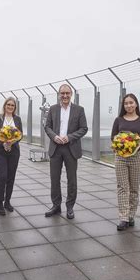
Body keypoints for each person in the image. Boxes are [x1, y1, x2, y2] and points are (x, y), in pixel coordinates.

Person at [44, 84, 88, 219]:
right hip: (55, 148)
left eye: (67, 93)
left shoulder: (79, 110)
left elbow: (83, 128)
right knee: (54, 179)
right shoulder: (52, 109)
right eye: (62, 93)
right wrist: (54, 137)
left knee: (72, 180)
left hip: (71, 148)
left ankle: (70, 207)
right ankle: (56, 206)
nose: (65, 96)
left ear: (71, 94)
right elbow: (47, 127)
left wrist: (69, 137)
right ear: (59, 94)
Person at [111, 94, 140, 231]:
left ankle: (131, 215)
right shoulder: (118, 120)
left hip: (136, 157)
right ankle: (123, 218)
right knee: (122, 187)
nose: (129, 105)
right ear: (123, 106)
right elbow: (113, 137)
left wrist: (134, 148)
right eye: (126, 103)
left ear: (136, 104)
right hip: (120, 157)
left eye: (131, 103)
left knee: (134, 188)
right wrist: (120, 147)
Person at [0, 97, 23, 215]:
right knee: (3, 177)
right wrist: (2, 143)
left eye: (12, 105)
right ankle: (0, 203)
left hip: (14, 152)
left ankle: (7, 202)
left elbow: (21, 135)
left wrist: (13, 142)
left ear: (15, 107)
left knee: (11, 177)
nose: (10, 107)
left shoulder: (17, 119)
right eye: (8, 105)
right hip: (0, 151)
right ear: (4, 106)